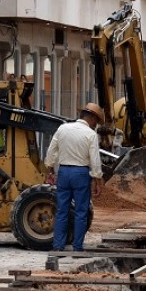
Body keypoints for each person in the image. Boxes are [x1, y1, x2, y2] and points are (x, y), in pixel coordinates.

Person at [44, 103, 105, 252]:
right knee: (80, 212)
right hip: (81, 174)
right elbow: (95, 160)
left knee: (62, 211)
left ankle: (58, 246)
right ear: (92, 118)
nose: (95, 125)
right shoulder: (90, 135)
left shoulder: (62, 128)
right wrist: (97, 179)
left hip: (63, 172)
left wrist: (50, 170)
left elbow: (51, 151)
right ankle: (77, 247)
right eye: (96, 122)